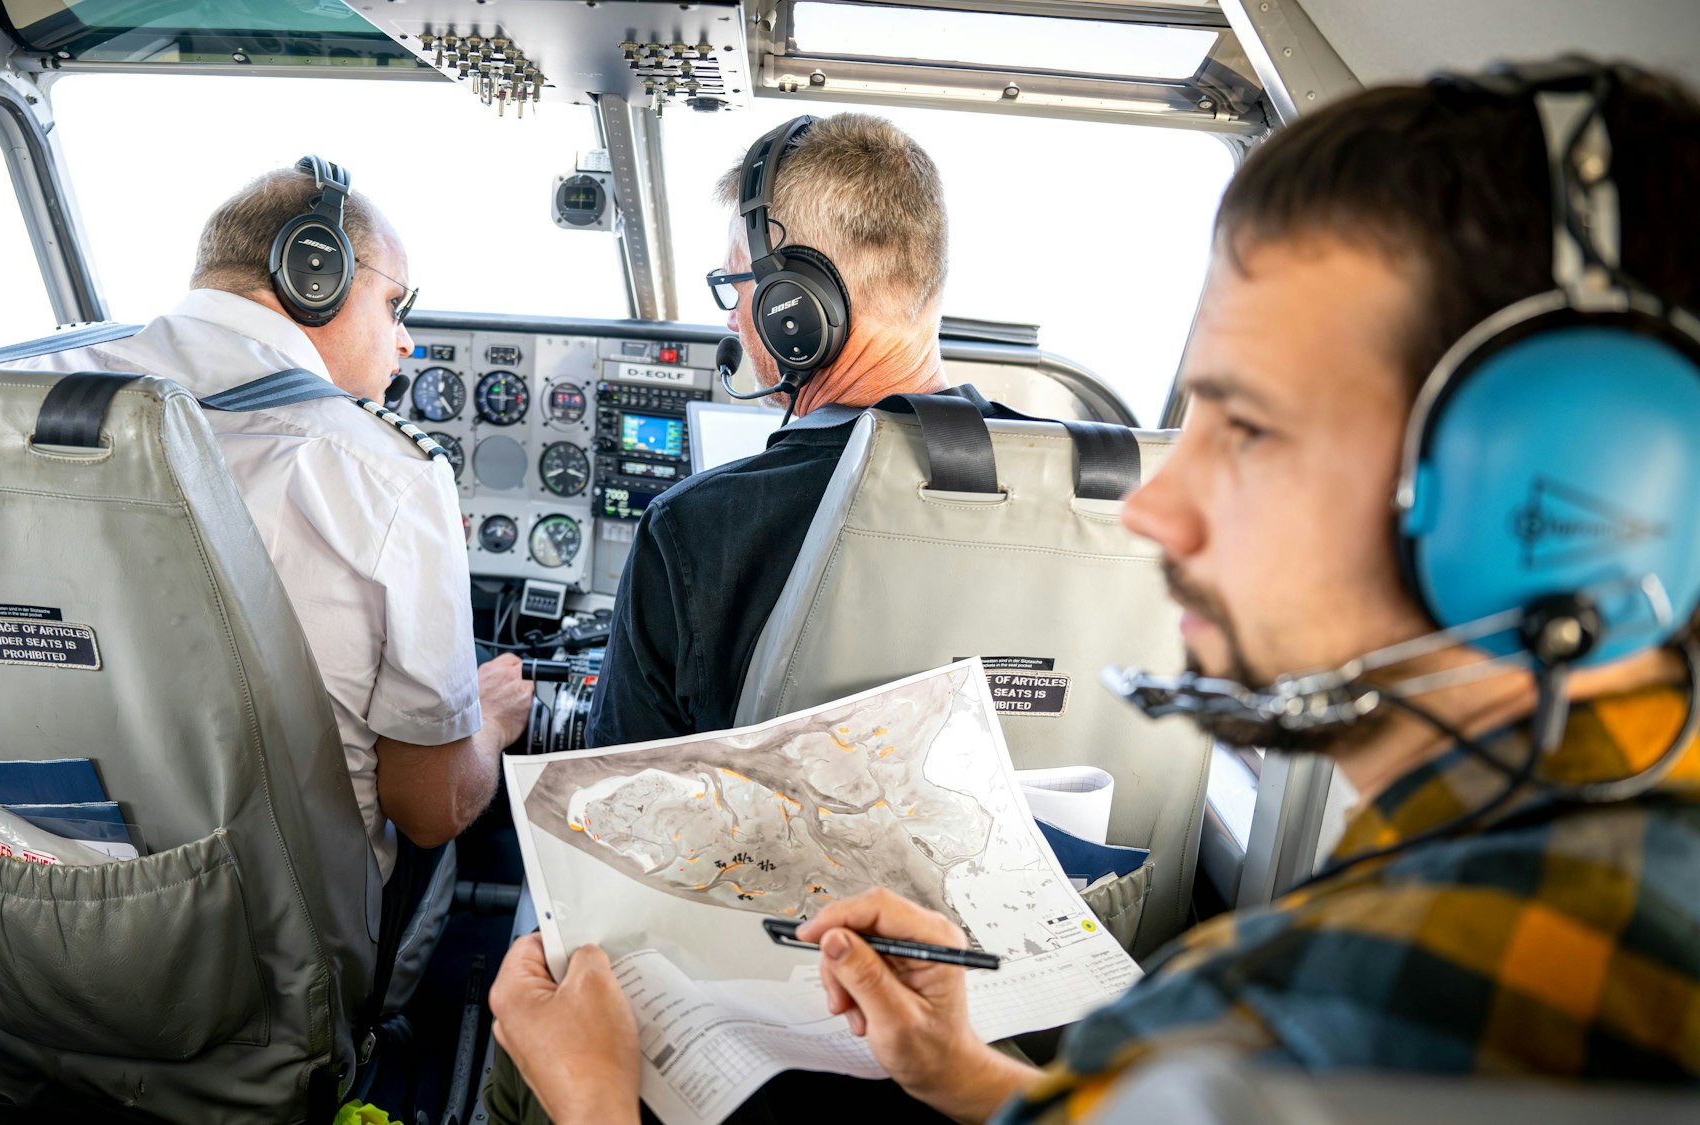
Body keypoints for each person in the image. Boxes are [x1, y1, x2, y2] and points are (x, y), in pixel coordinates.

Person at [488, 62, 1700, 1124]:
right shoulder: (1558, 895)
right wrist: (963, 1074)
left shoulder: (1324, 1015)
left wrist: (593, 1105)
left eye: (1248, 426)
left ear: (1553, 501)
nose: (1159, 517)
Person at [20, 159, 531, 881]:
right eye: (395, 304)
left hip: (33, 884)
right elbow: (429, 808)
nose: (406, 341)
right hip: (282, 922)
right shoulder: (388, 472)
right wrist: (494, 720)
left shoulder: (25, 394)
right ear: (314, 276)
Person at [587, 112, 998, 749]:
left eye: (736, 285)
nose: (732, 321)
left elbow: (621, 793)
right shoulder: (1095, 489)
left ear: (794, 307)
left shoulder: (692, 531)